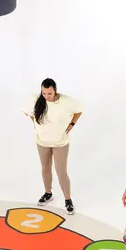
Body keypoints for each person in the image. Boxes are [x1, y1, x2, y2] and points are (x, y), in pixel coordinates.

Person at [23, 78, 83, 215]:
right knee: (45, 168)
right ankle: (48, 193)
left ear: (55, 90)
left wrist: (72, 124)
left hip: (60, 143)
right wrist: (35, 123)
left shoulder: (66, 102)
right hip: (42, 142)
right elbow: (26, 111)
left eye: (49, 93)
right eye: (44, 93)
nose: (46, 96)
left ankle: (68, 199)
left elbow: (79, 110)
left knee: (61, 172)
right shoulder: (36, 100)